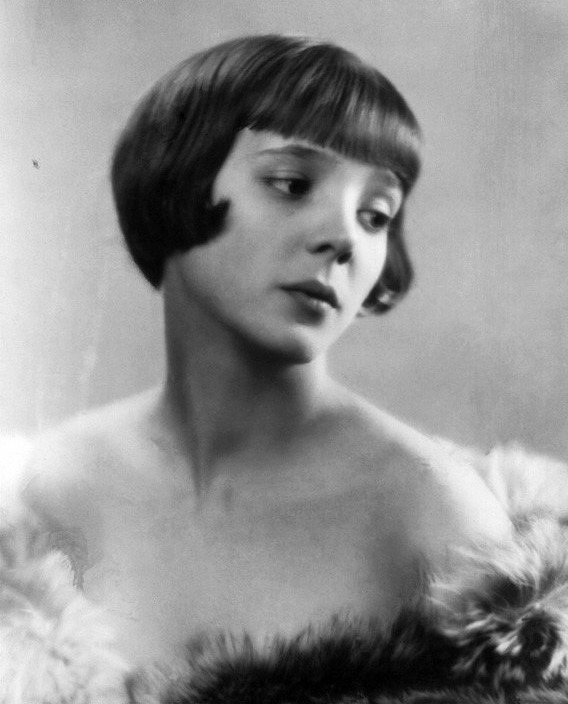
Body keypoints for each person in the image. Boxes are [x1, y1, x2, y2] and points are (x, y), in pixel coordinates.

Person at [19, 34, 511, 667]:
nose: (344, 237)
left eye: (376, 215)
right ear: (176, 183)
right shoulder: (49, 485)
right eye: (291, 183)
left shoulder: (437, 520)